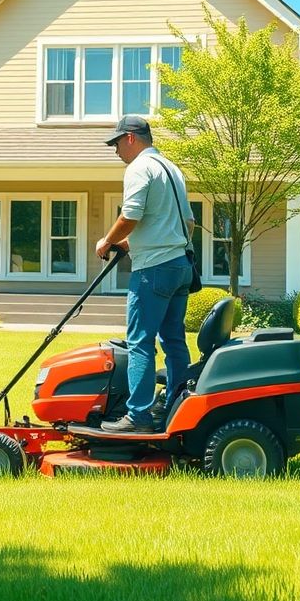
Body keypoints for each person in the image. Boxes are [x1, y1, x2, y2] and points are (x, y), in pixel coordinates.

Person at [94, 115, 194, 433]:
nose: (116, 151)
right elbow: (188, 223)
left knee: (140, 342)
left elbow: (130, 215)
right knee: (174, 340)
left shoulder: (138, 168)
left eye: (117, 143)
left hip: (152, 270)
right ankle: (177, 403)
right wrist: (132, 243)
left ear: (132, 139)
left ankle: (137, 416)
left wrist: (107, 241)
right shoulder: (172, 169)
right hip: (180, 266)